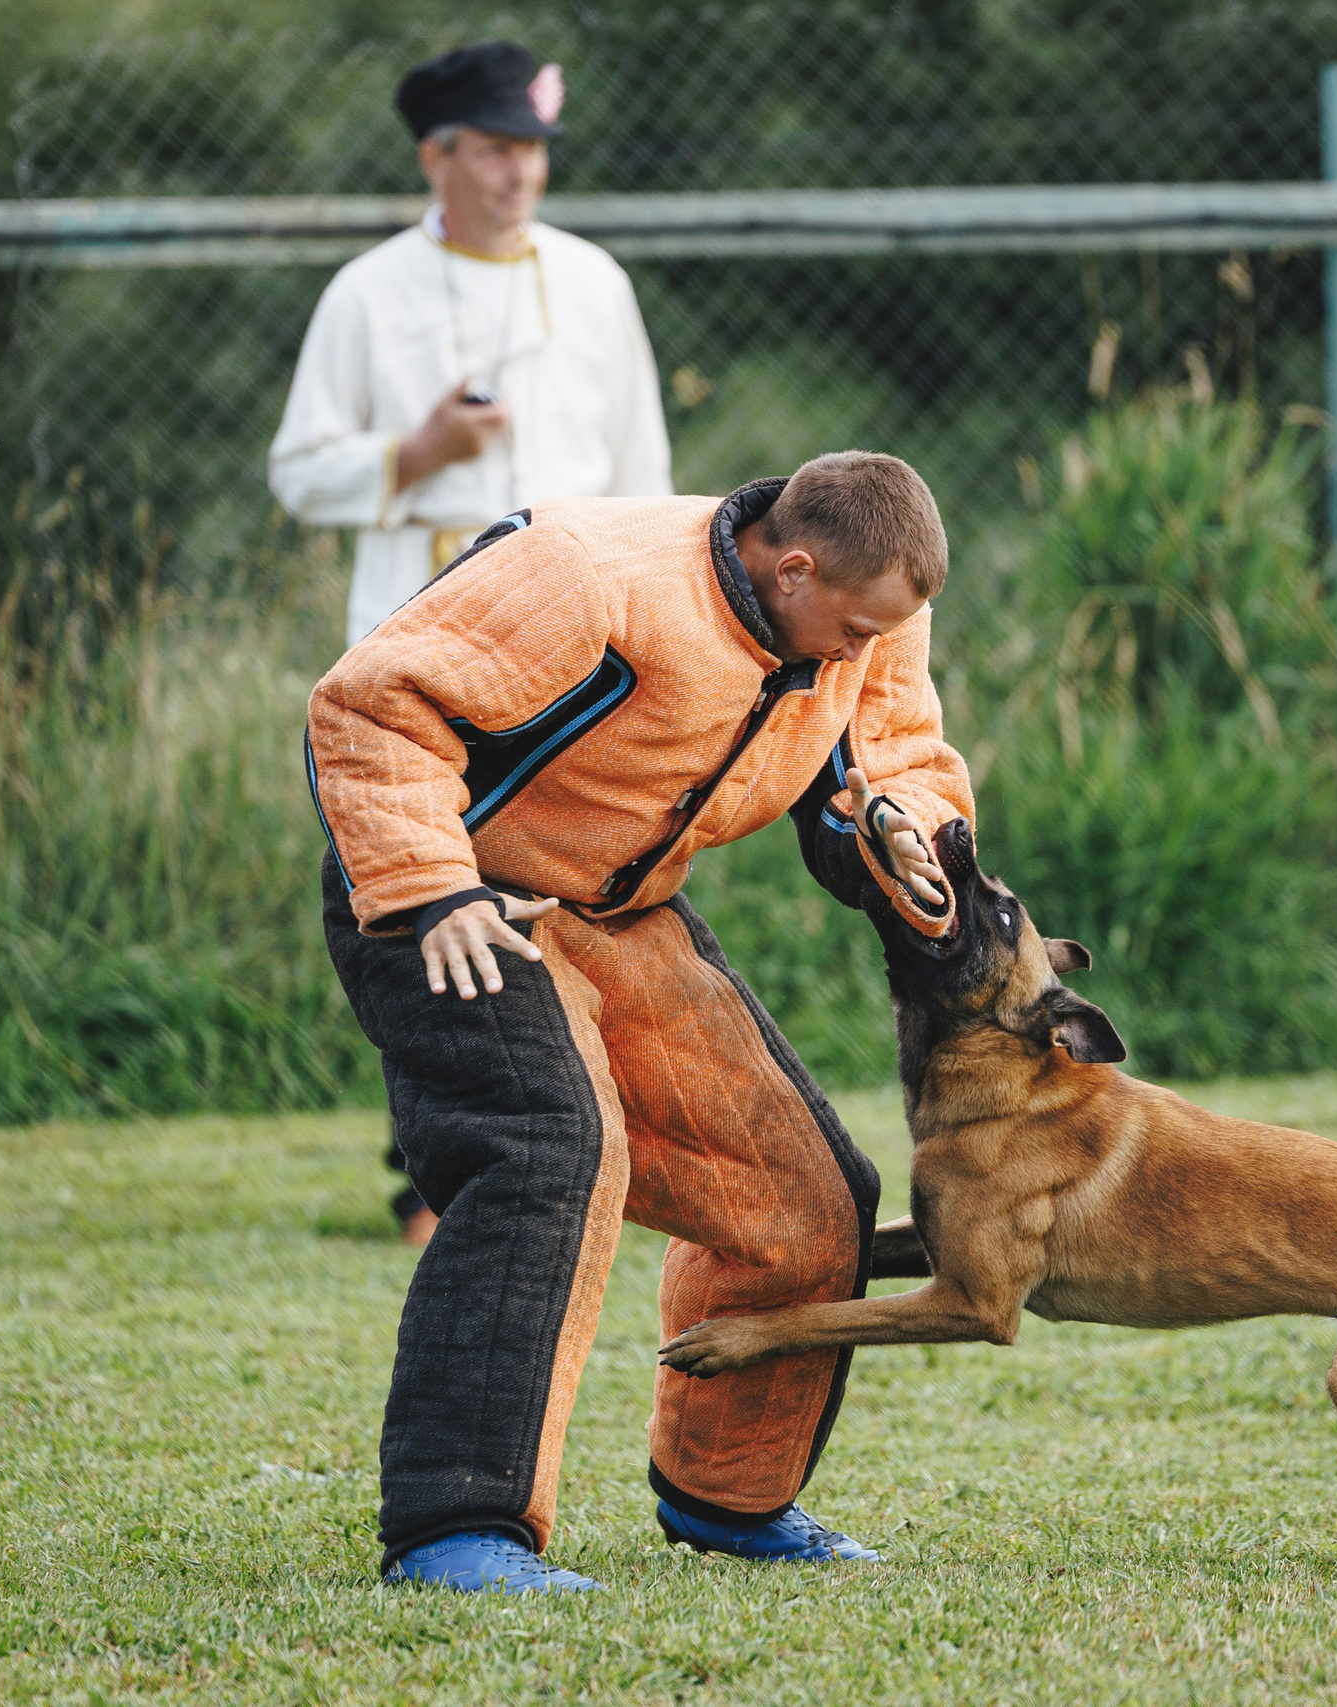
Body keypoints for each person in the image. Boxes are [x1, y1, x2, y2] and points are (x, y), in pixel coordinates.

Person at [305, 452, 971, 1592]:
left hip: (619, 907)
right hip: (456, 899)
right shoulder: (588, 575)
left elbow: (890, 753)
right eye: (852, 630)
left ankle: (730, 1499)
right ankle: (456, 1532)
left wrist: (905, 827)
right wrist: (429, 887)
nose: (863, 656)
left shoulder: (869, 613)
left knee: (804, 1199)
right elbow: (371, 704)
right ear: (794, 565)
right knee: (545, 1151)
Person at [269, 40, 673, 1241]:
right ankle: (432, 1174)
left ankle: (581, 1138)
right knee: (420, 891)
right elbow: (298, 473)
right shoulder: (367, 292)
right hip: (422, 639)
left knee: (554, 890)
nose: (518, 174)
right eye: (494, 150)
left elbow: (644, 474)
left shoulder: (594, 281)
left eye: (531, 151)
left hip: (578, 653)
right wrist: (411, 458)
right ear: (436, 156)